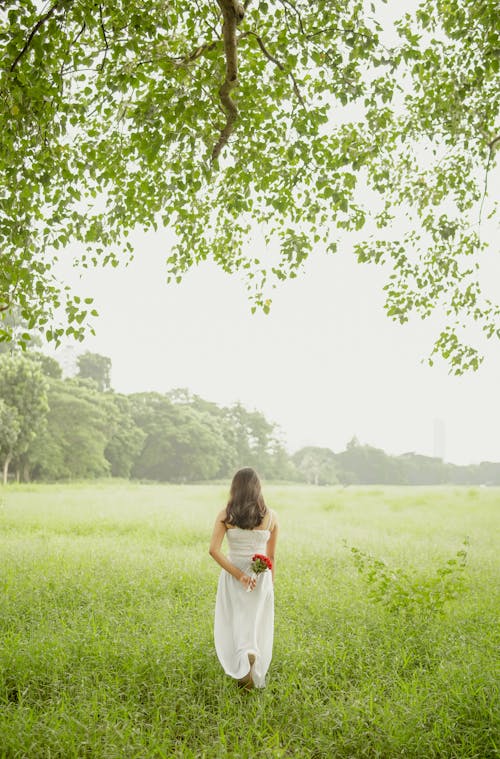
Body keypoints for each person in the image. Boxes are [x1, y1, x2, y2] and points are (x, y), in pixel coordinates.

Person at [209, 467, 278, 689]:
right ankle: (251, 654)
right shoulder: (271, 516)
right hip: (261, 577)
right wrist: (269, 586)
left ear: (235, 488)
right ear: (258, 488)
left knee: (234, 622)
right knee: (255, 623)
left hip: (233, 575)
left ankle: (240, 662)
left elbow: (214, 550)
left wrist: (239, 575)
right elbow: (272, 556)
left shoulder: (225, 515)